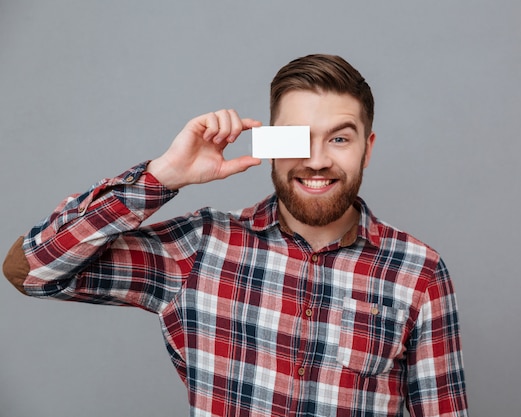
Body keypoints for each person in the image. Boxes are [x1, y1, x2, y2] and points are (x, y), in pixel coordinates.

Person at [3, 54, 468, 417]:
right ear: (269, 145)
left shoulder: (418, 273)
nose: (318, 160)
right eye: (297, 137)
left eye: (340, 139)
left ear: (367, 150)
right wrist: (163, 176)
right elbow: (32, 271)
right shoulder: (200, 248)